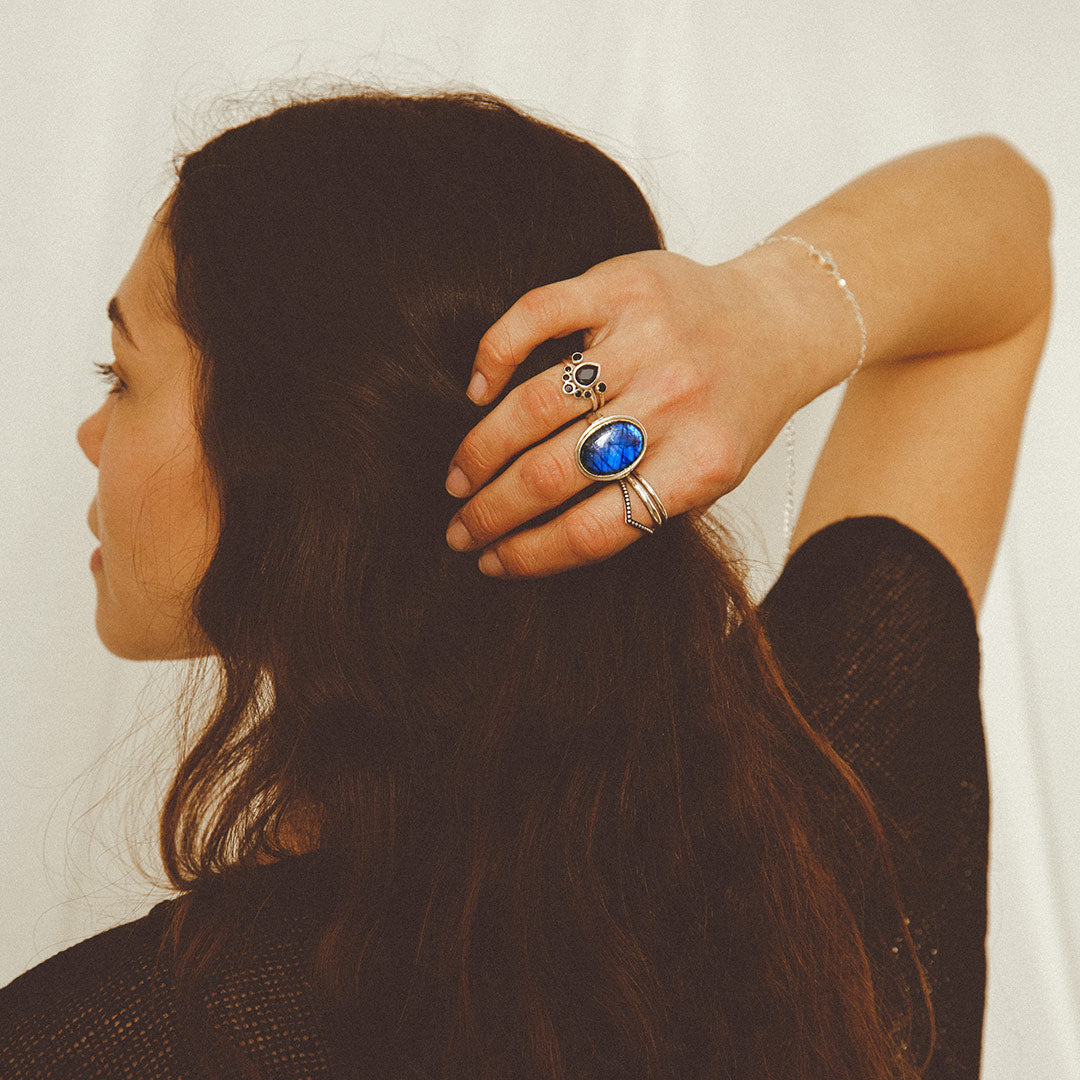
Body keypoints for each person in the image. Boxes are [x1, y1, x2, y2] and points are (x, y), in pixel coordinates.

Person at [0, 87, 1051, 1080]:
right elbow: (1007, 228)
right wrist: (772, 313)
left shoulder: (107, 1044)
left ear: (301, 465)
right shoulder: (828, 825)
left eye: (123, 376)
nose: (93, 434)